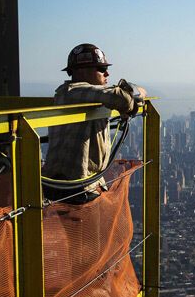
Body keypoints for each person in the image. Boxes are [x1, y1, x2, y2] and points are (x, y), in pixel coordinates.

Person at [42, 44, 146, 204]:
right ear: (81, 71)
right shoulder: (74, 92)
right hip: (75, 188)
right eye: (101, 68)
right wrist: (137, 92)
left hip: (75, 186)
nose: (107, 73)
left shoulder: (87, 95)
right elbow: (122, 99)